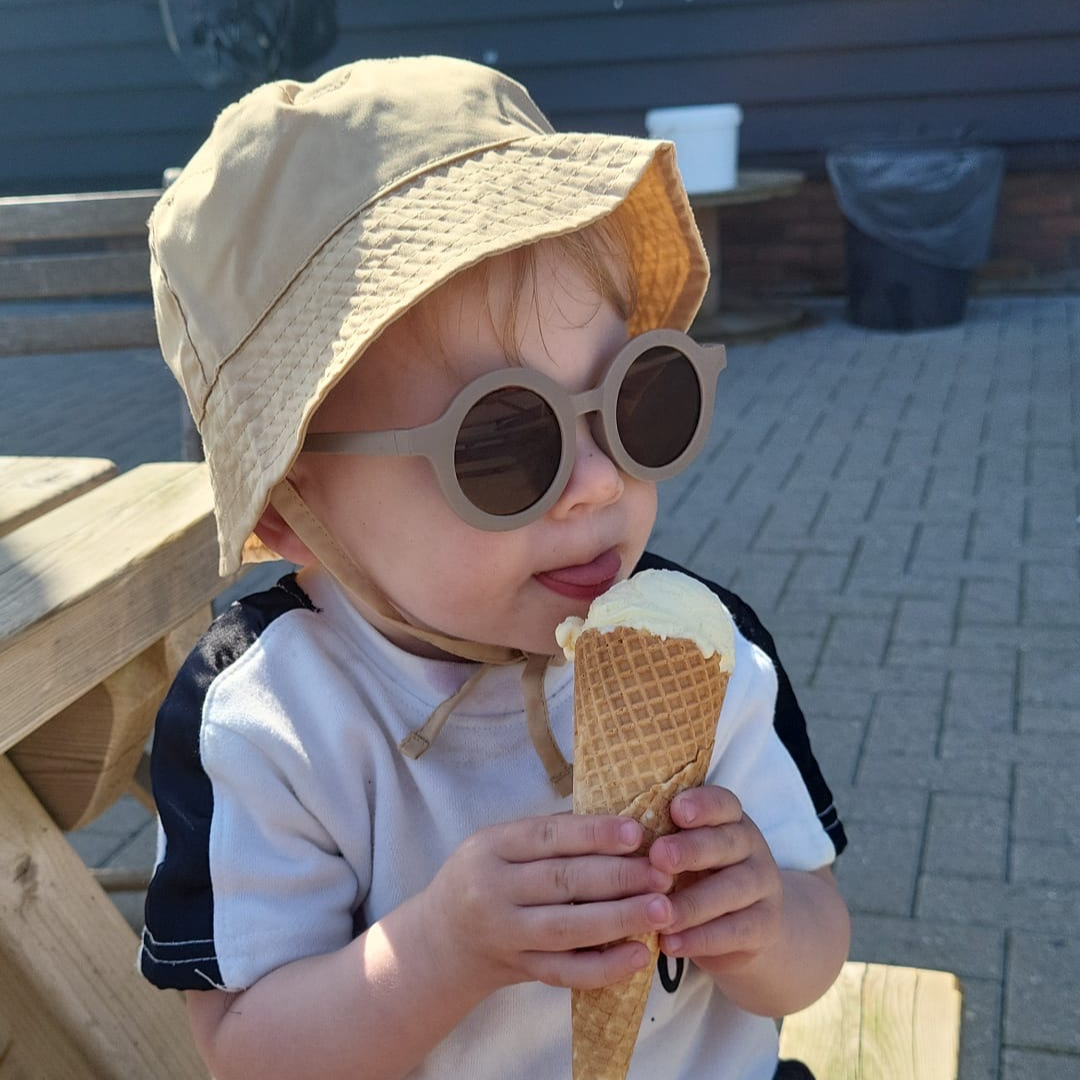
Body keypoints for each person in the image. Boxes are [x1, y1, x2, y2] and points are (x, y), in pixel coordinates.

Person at [140, 55, 850, 1080]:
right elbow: (250, 1052)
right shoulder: (272, 718)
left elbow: (817, 946)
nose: (600, 483)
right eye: (503, 445)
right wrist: (437, 952)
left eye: (638, 396)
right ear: (295, 511)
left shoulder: (708, 654)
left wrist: (770, 920)